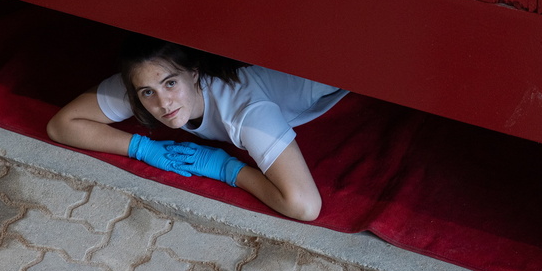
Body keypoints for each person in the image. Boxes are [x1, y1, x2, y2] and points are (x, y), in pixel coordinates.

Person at [46, 34, 347, 221]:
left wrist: (227, 169)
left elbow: (305, 206)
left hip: (335, 54)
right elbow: (61, 126)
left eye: (171, 84)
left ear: (194, 74)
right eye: (147, 92)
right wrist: (141, 147)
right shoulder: (147, 81)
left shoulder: (245, 110)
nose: (163, 103)